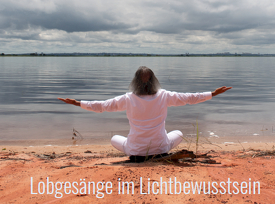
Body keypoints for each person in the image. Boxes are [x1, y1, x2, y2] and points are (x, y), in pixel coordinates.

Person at [58, 66, 231, 157]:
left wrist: (77, 103)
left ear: (135, 82)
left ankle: (138, 148)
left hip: (135, 151)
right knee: (178, 133)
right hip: (162, 148)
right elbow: (189, 98)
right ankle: (158, 148)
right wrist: (213, 94)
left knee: (114, 138)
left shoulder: (128, 98)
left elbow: (102, 106)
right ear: (155, 80)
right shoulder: (164, 96)